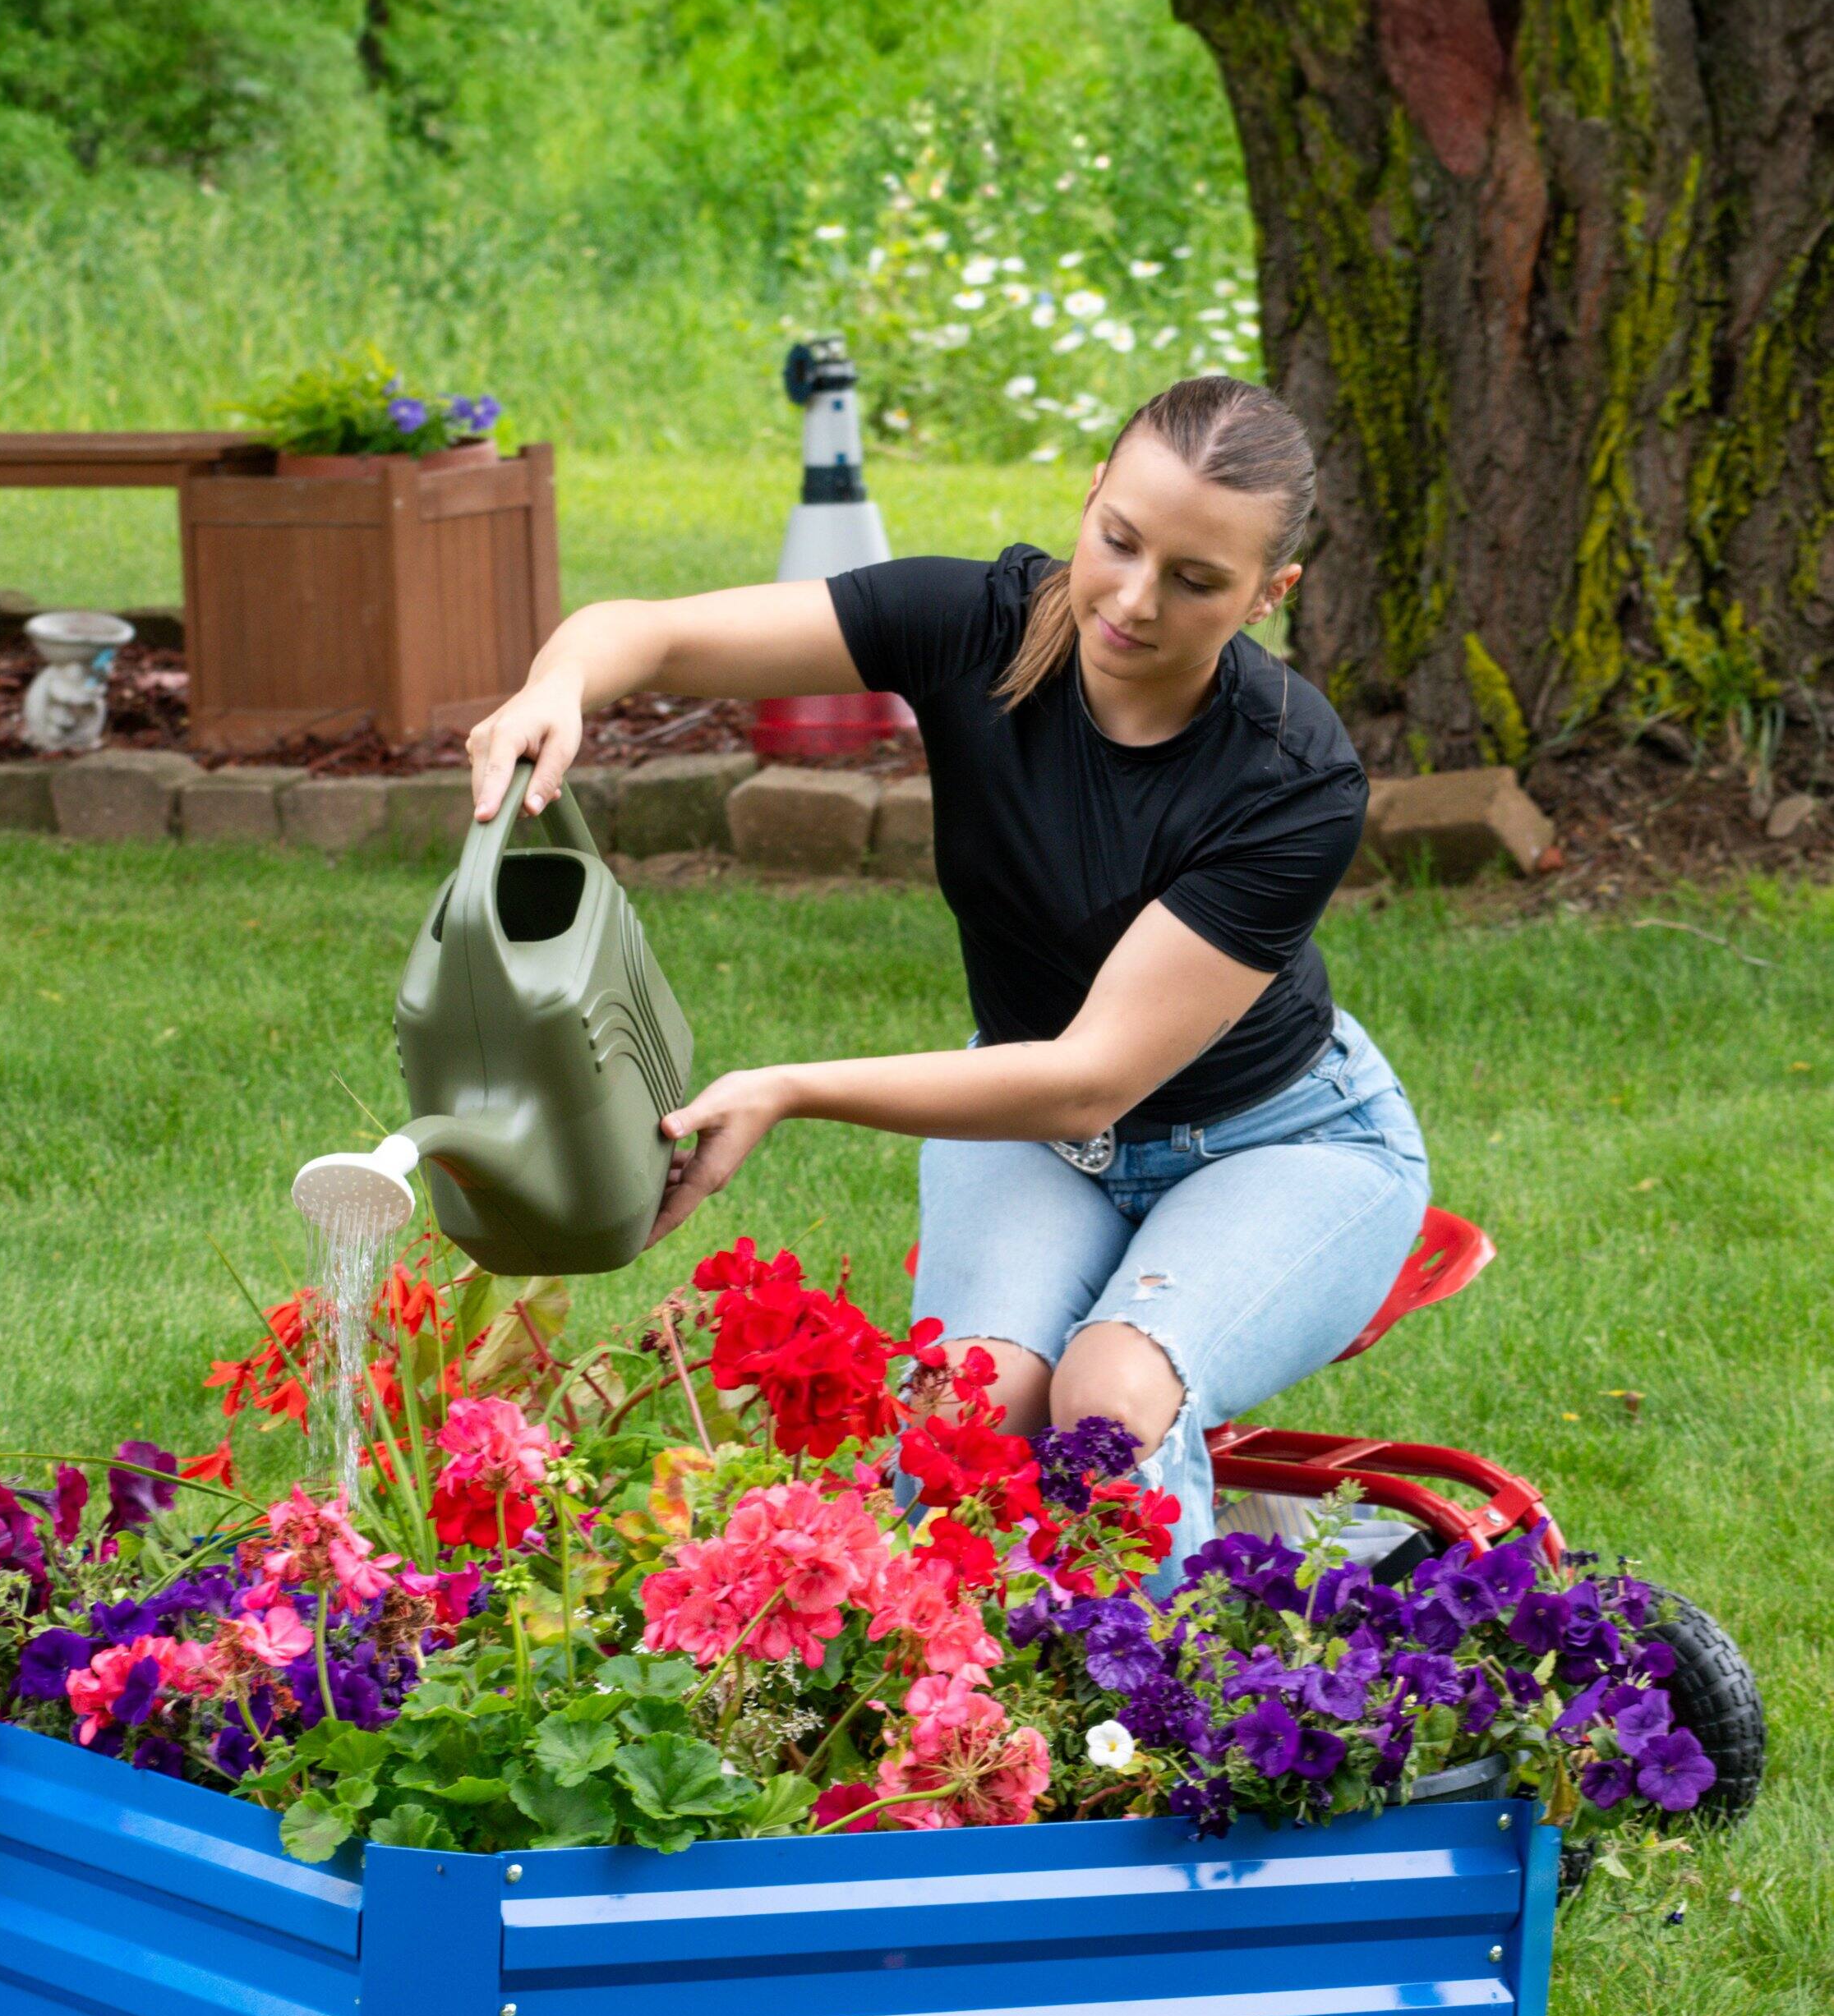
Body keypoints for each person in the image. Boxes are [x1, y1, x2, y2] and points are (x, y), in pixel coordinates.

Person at [463, 375, 1428, 1580]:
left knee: (1111, 1401)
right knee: (964, 1420)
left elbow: (1089, 1081)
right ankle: (957, 1728)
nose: (1132, 600)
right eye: (1119, 542)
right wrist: (559, 685)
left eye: (1196, 579)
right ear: (1090, 498)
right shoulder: (975, 623)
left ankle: (1169, 1730)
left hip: (1279, 1144)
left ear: (1269, 594)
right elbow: (647, 632)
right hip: (1036, 1139)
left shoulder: (1292, 775)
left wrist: (789, 1086)